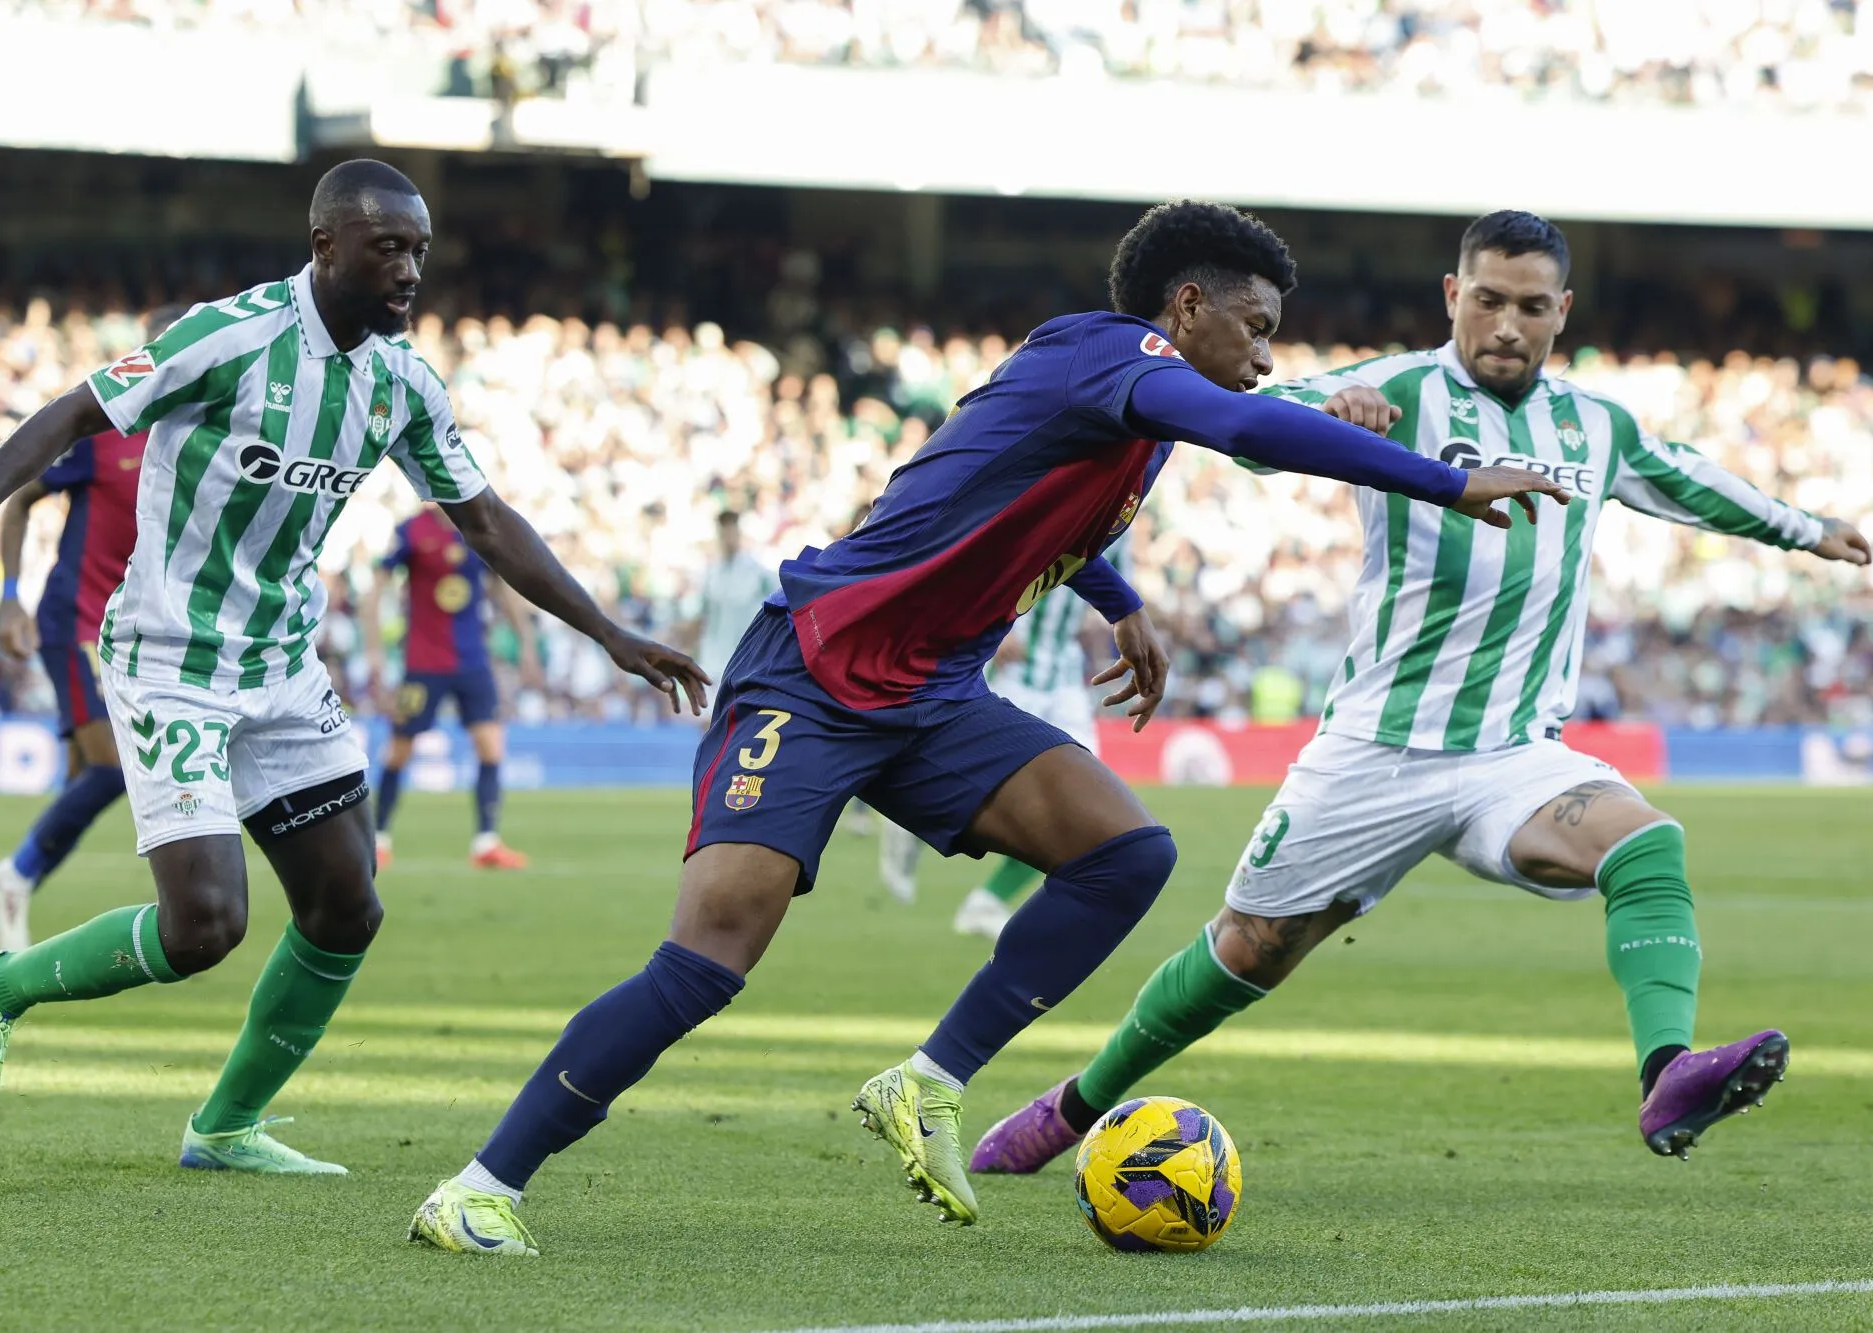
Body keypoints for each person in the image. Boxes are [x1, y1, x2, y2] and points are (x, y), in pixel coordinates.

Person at [406, 200, 1568, 1254]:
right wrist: (1443, 478)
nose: (1265, 357)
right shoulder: (1108, 354)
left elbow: (1026, 501)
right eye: (1256, 327)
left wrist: (1121, 606)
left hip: (929, 693)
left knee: (1125, 854)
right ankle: (479, 1185)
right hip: (811, 670)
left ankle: (926, 1079)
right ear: (1185, 305)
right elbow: (1252, 431)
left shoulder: (1127, 400)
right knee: (705, 962)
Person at [970, 210, 1871, 1178]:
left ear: (1560, 311)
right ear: (1452, 296)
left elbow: (1689, 480)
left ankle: (1666, 1072)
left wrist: (1805, 528)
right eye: (1485, 300)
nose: (1505, 325)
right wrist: (1334, 414)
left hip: (1514, 757)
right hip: (1372, 750)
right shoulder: (1392, 389)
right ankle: (1074, 1106)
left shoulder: (1593, 427)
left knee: (1644, 841)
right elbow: (1248, 431)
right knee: (1250, 948)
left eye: (1530, 306)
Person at [0, 158, 707, 1173]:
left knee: (347, 906)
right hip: (170, 658)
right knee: (203, 927)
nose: (409, 270)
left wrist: (608, 631)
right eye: (387, 248)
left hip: (280, 665)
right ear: (326, 245)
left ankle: (225, 1127)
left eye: (420, 251)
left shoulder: (401, 380)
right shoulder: (230, 336)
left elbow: (484, 518)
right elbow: (72, 412)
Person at [0, 306, 185, 951]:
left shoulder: (202, 440)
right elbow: (21, 499)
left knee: (85, 781)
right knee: (113, 772)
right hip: (78, 619)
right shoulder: (108, 429)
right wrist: (8, 601)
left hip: (135, 635)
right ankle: (10, 882)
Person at [877, 530, 1125, 925]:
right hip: (1012, 669)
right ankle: (912, 818)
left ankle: (987, 901)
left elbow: (1107, 596)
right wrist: (991, 627)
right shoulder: (1049, 495)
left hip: (1063, 678)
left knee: (1084, 806)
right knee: (990, 785)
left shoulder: (1120, 521)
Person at [364, 505, 543, 871]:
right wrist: (374, 649)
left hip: (472, 661)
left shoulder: (479, 528)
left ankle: (486, 842)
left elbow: (502, 587)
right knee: (399, 750)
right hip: (423, 662)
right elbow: (377, 588)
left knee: (491, 747)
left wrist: (526, 642)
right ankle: (377, 838)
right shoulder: (412, 529)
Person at [694, 508, 780, 687]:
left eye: (731, 531)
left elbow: (777, 606)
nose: (728, 537)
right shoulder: (711, 573)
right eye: (724, 532)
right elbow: (703, 616)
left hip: (746, 659)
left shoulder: (757, 572)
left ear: (738, 533)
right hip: (713, 661)